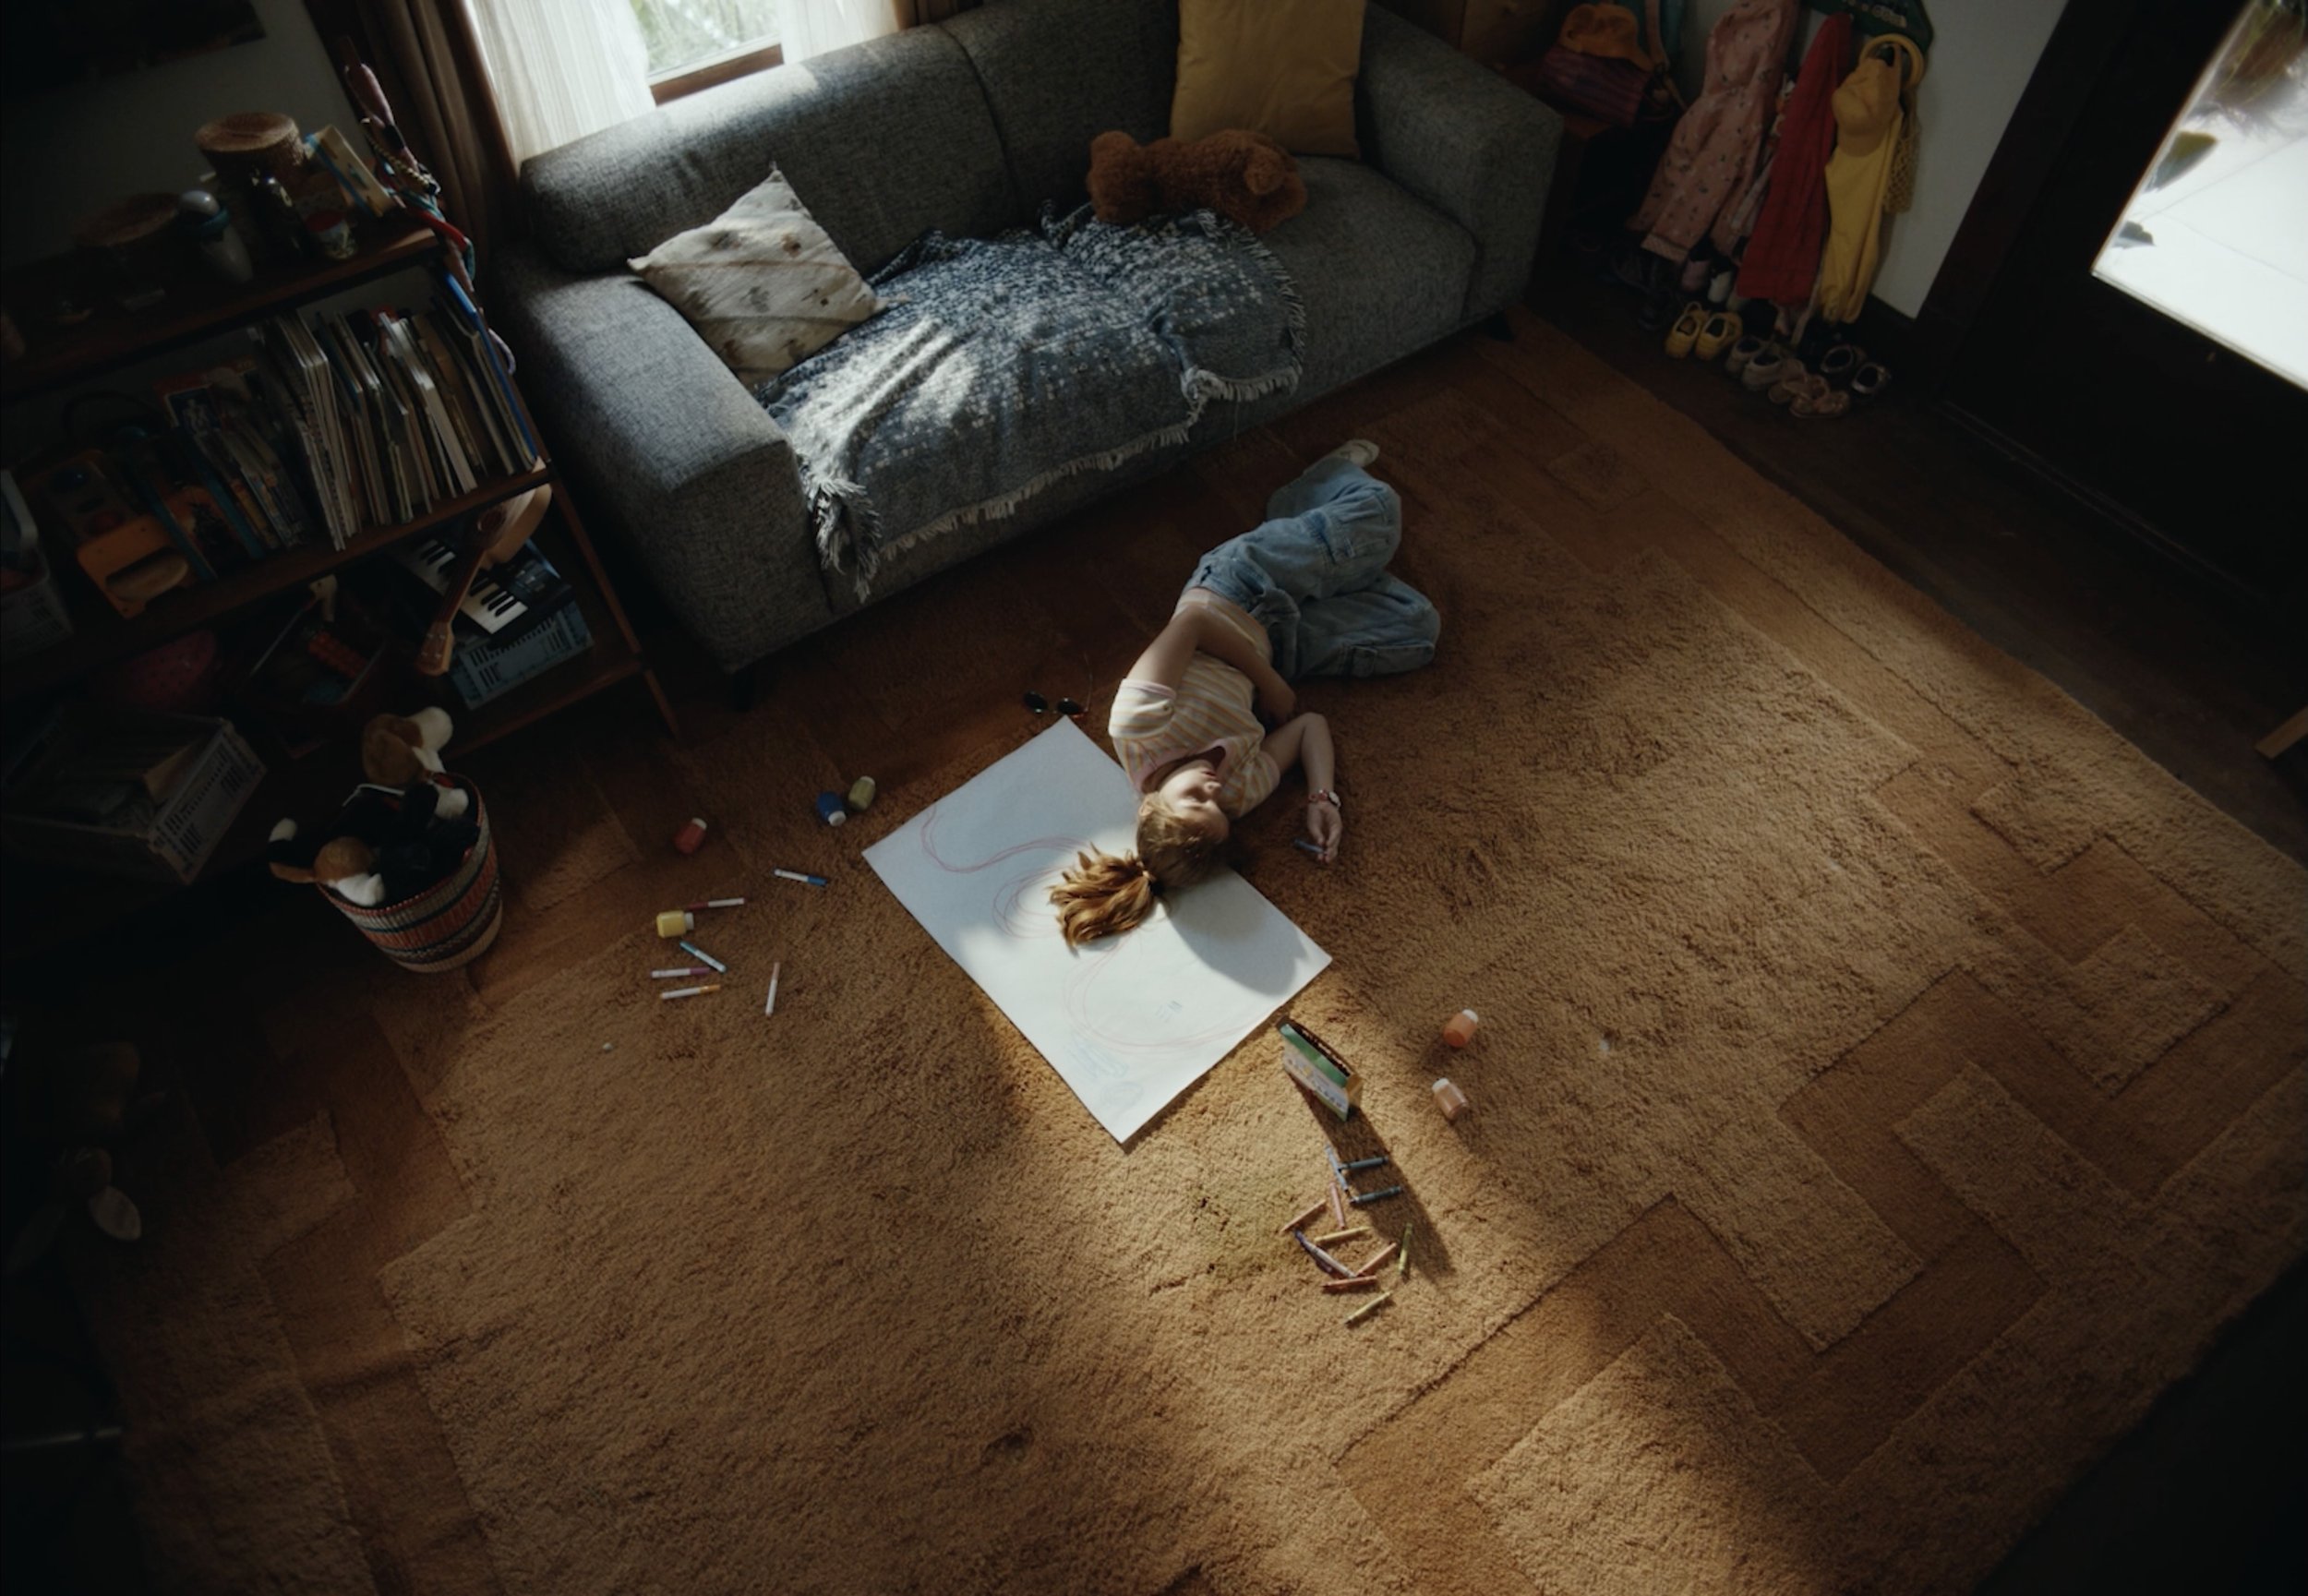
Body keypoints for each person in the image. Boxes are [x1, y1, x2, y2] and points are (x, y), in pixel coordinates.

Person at [1050, 441, 1439, 944]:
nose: (1214, 790)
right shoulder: (1232, 798)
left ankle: (1316, 489)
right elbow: (1308, 729)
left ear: (1149, 805)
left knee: (1381, 510)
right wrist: (1323, 798)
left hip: (1237, 591)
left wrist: (1271, 683)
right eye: (1220, 811)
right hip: (1278, 646)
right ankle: (1335, 556)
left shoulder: (1138, 725)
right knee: (1419, 630)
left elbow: (1193, 623)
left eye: (1195, 797)